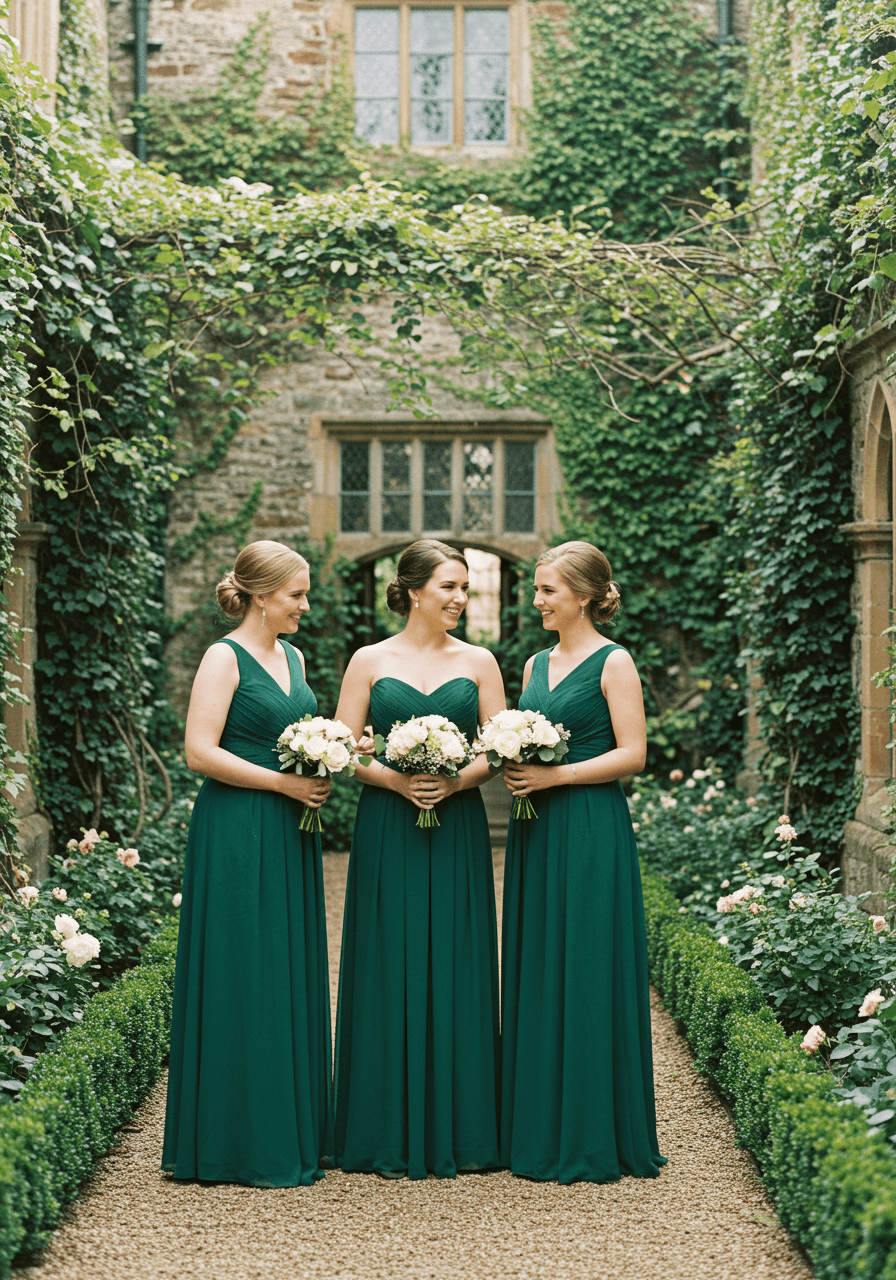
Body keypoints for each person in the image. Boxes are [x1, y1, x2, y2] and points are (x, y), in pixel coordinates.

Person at [162, 540, 334, 1186]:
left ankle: (286, 1127)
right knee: (242, 968)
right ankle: (234, 1140)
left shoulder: (293, 656)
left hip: (291, 833)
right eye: (296, 595)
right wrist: (284, 785)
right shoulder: (222, 657)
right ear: (261, 597)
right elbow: (199, 751)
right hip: (237, 829)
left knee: (282, 970)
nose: (305, 606)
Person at [333, 539, 506, 1179]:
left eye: (464, 588)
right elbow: (345, 749)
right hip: (388, 825)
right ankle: (380, 1125)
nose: (460, 599)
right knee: (388, 954)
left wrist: (460, 781)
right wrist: (396, 781)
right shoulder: (368, 661)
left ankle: (464, 1128)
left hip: (457, 824)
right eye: (449, 588)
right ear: (411, 592)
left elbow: (501, 746)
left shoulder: (482, 661)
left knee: (459, 955)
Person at [500, 540, 666, 1184]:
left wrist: (557, 776)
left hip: (591, 826)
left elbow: (634, 753)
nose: (536, 599)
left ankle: (595, 1130)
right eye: (537, 588)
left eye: (548, 590)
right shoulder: (535, 663)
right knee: (541, 963)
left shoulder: (613, 661)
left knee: (588, 965)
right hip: (536, 828)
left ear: (588, 596)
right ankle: (539, 1126)